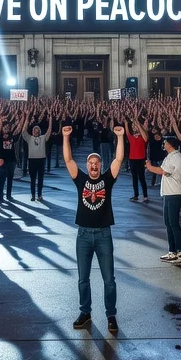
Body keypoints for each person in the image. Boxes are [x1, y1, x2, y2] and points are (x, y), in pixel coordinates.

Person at [63, 123, 126, 332]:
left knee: (109, 280)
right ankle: (85, 312)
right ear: (87, 165)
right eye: (90, 163)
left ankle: (111, 315)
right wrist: (65, 138)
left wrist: (120, 137)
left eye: (97, 163)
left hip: (103, 234)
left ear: (100, 165)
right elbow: (68, 160)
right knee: (83, 279)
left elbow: (118, 160)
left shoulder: (107, 180)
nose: (93, 166)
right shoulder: (80, 180)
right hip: (83, 235)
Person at [145, 135, 181, 265]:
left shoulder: (176, 157)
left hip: (174, 194)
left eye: (165, 142)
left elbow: (164, 171)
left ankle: (180, 252)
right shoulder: (170, 157)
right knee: (168, 223)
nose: (163, 144)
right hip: (168, 193)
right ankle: (172, 251)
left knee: (173, 223)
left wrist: (150, 167)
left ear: (170, 144)